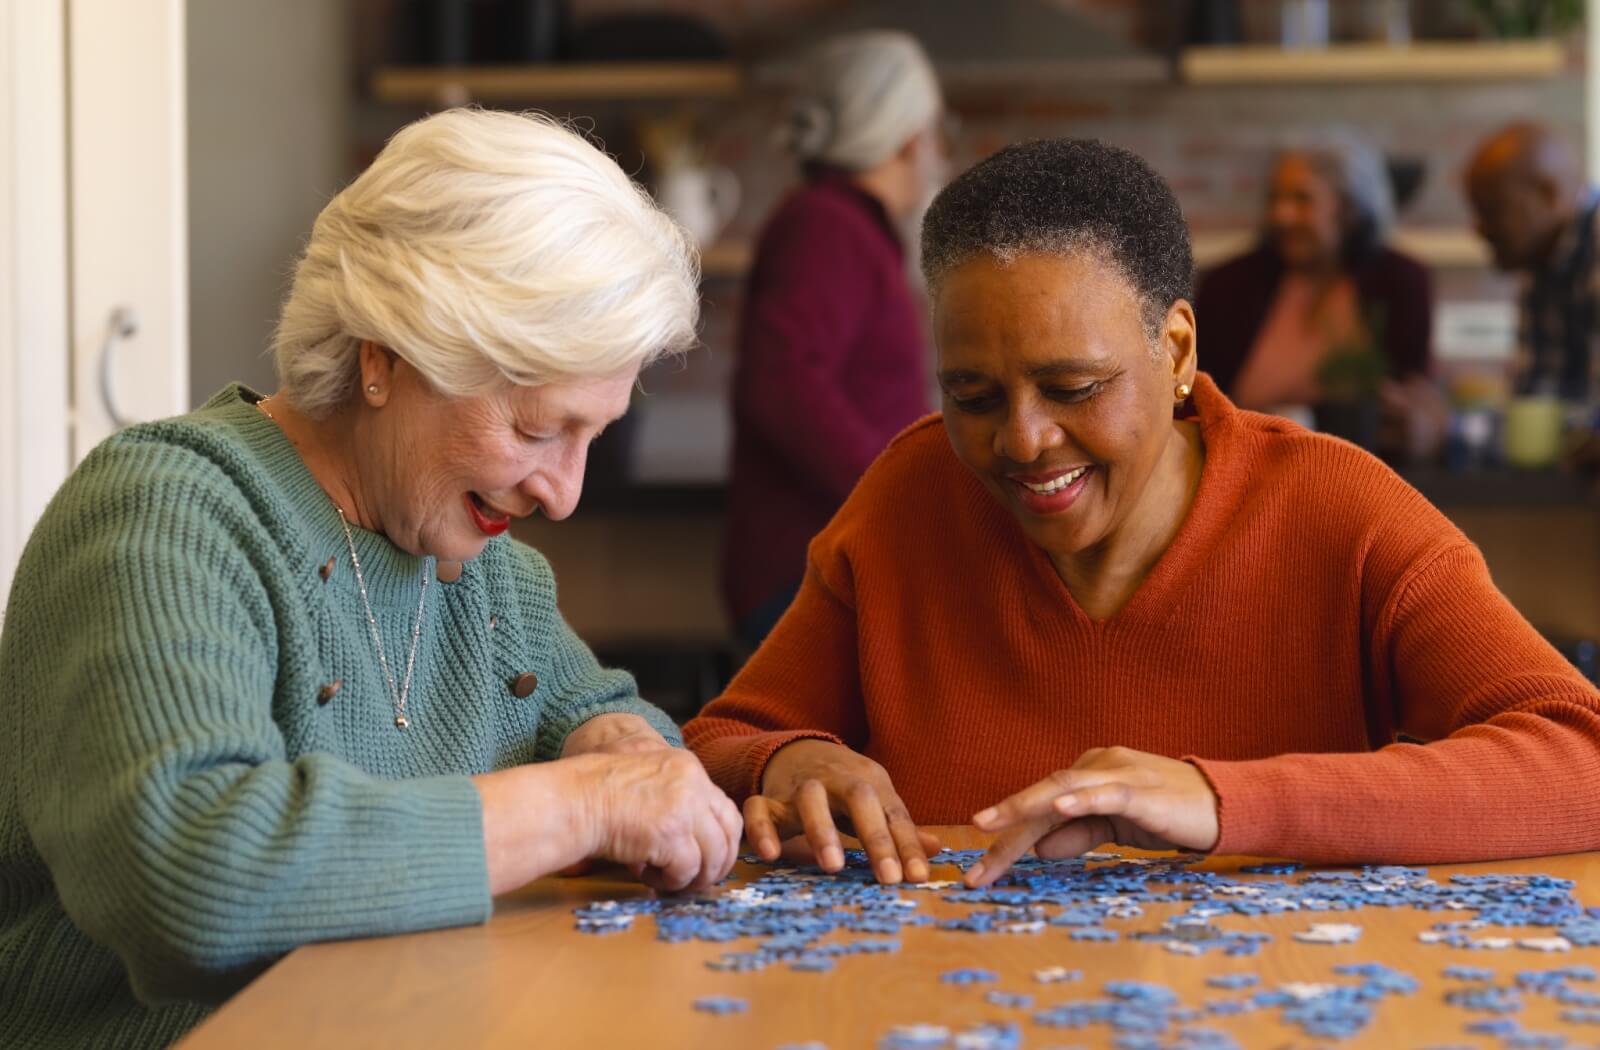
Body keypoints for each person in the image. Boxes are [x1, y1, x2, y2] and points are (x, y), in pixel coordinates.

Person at [0, 109, 742, 1049]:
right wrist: (585, 803)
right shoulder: (165, 512)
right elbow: (191, 873)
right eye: (536, 429)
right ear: (385, 357)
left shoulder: (492, 578)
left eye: (593, 436)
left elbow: (636, 751)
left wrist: (623, 744)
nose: (564, 495)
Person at [685, 139, 1600, 891]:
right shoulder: (909, 497)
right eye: (971, 394)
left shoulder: (1341, 510)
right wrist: (790, 762)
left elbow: (1580, 756)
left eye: (1072, 387)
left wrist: (1220, 800)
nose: (1023, 440)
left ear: (1176, 351)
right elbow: (721, 738)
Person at [722, 30, 948, 646]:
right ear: (909, 140)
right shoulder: (826, 226)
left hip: (828, 567)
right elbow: (782, 386)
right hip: (805, 576)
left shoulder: (844, 225)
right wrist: (895, 491)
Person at [1196, 134, 1439, 456]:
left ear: (1350, 209)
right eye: (1276, 199)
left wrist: (1426, 423)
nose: (1281, 216)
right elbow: (1196, 396)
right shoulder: (1227, 285)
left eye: (1302, 200)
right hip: (1245, 466)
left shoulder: (1401, 282)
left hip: (1366, 469)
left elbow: (1416, 393)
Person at [1466, 122, 1600, 404]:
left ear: (1548, 194)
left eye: (1492, 209)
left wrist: (1458, 432)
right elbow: (1536, 405)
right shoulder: (1541, 263)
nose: (1478, 229)